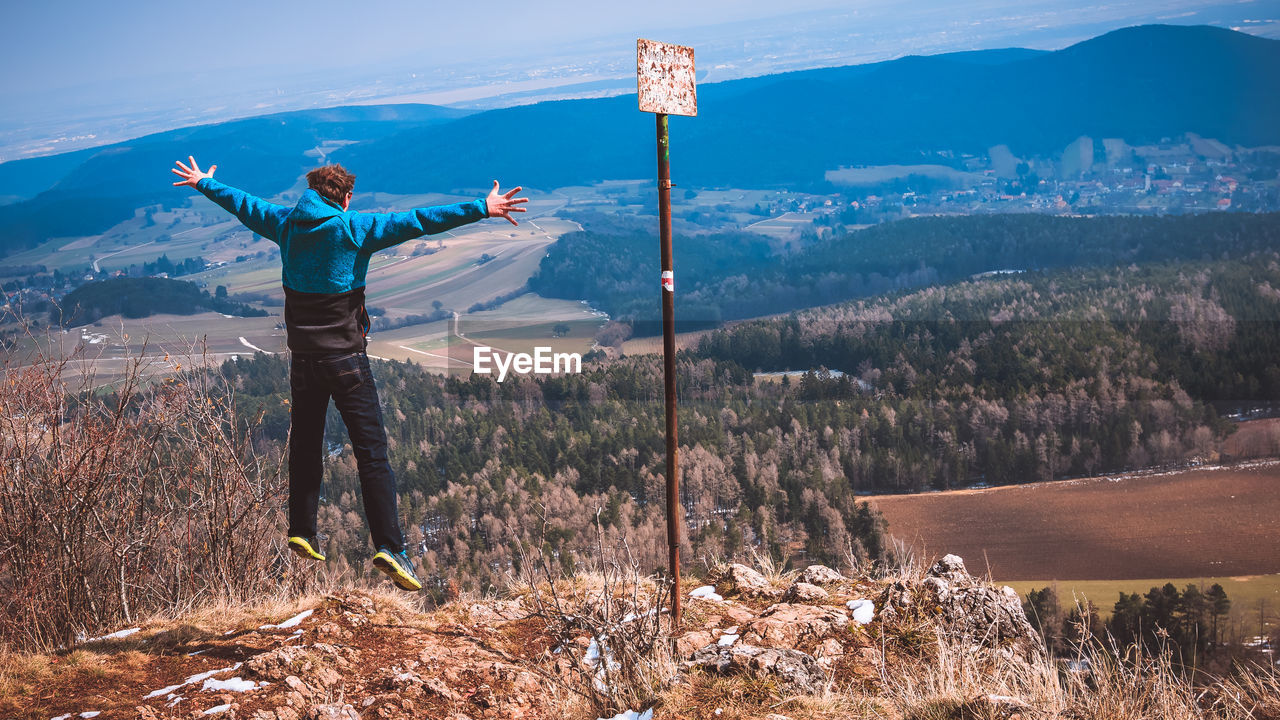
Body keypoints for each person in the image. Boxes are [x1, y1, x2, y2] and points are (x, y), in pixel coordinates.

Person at [171, 157, 527, 591]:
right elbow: (418, 221)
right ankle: (391, 548)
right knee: (372, 453)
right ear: (345, 196)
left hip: (303, 360)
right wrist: (480, 207)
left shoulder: (285, 224)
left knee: (304, 446)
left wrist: (206, 184)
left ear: (311, 191)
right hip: (346, 362)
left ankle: (302, 530)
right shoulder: (353, 228)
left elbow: (246, 205)